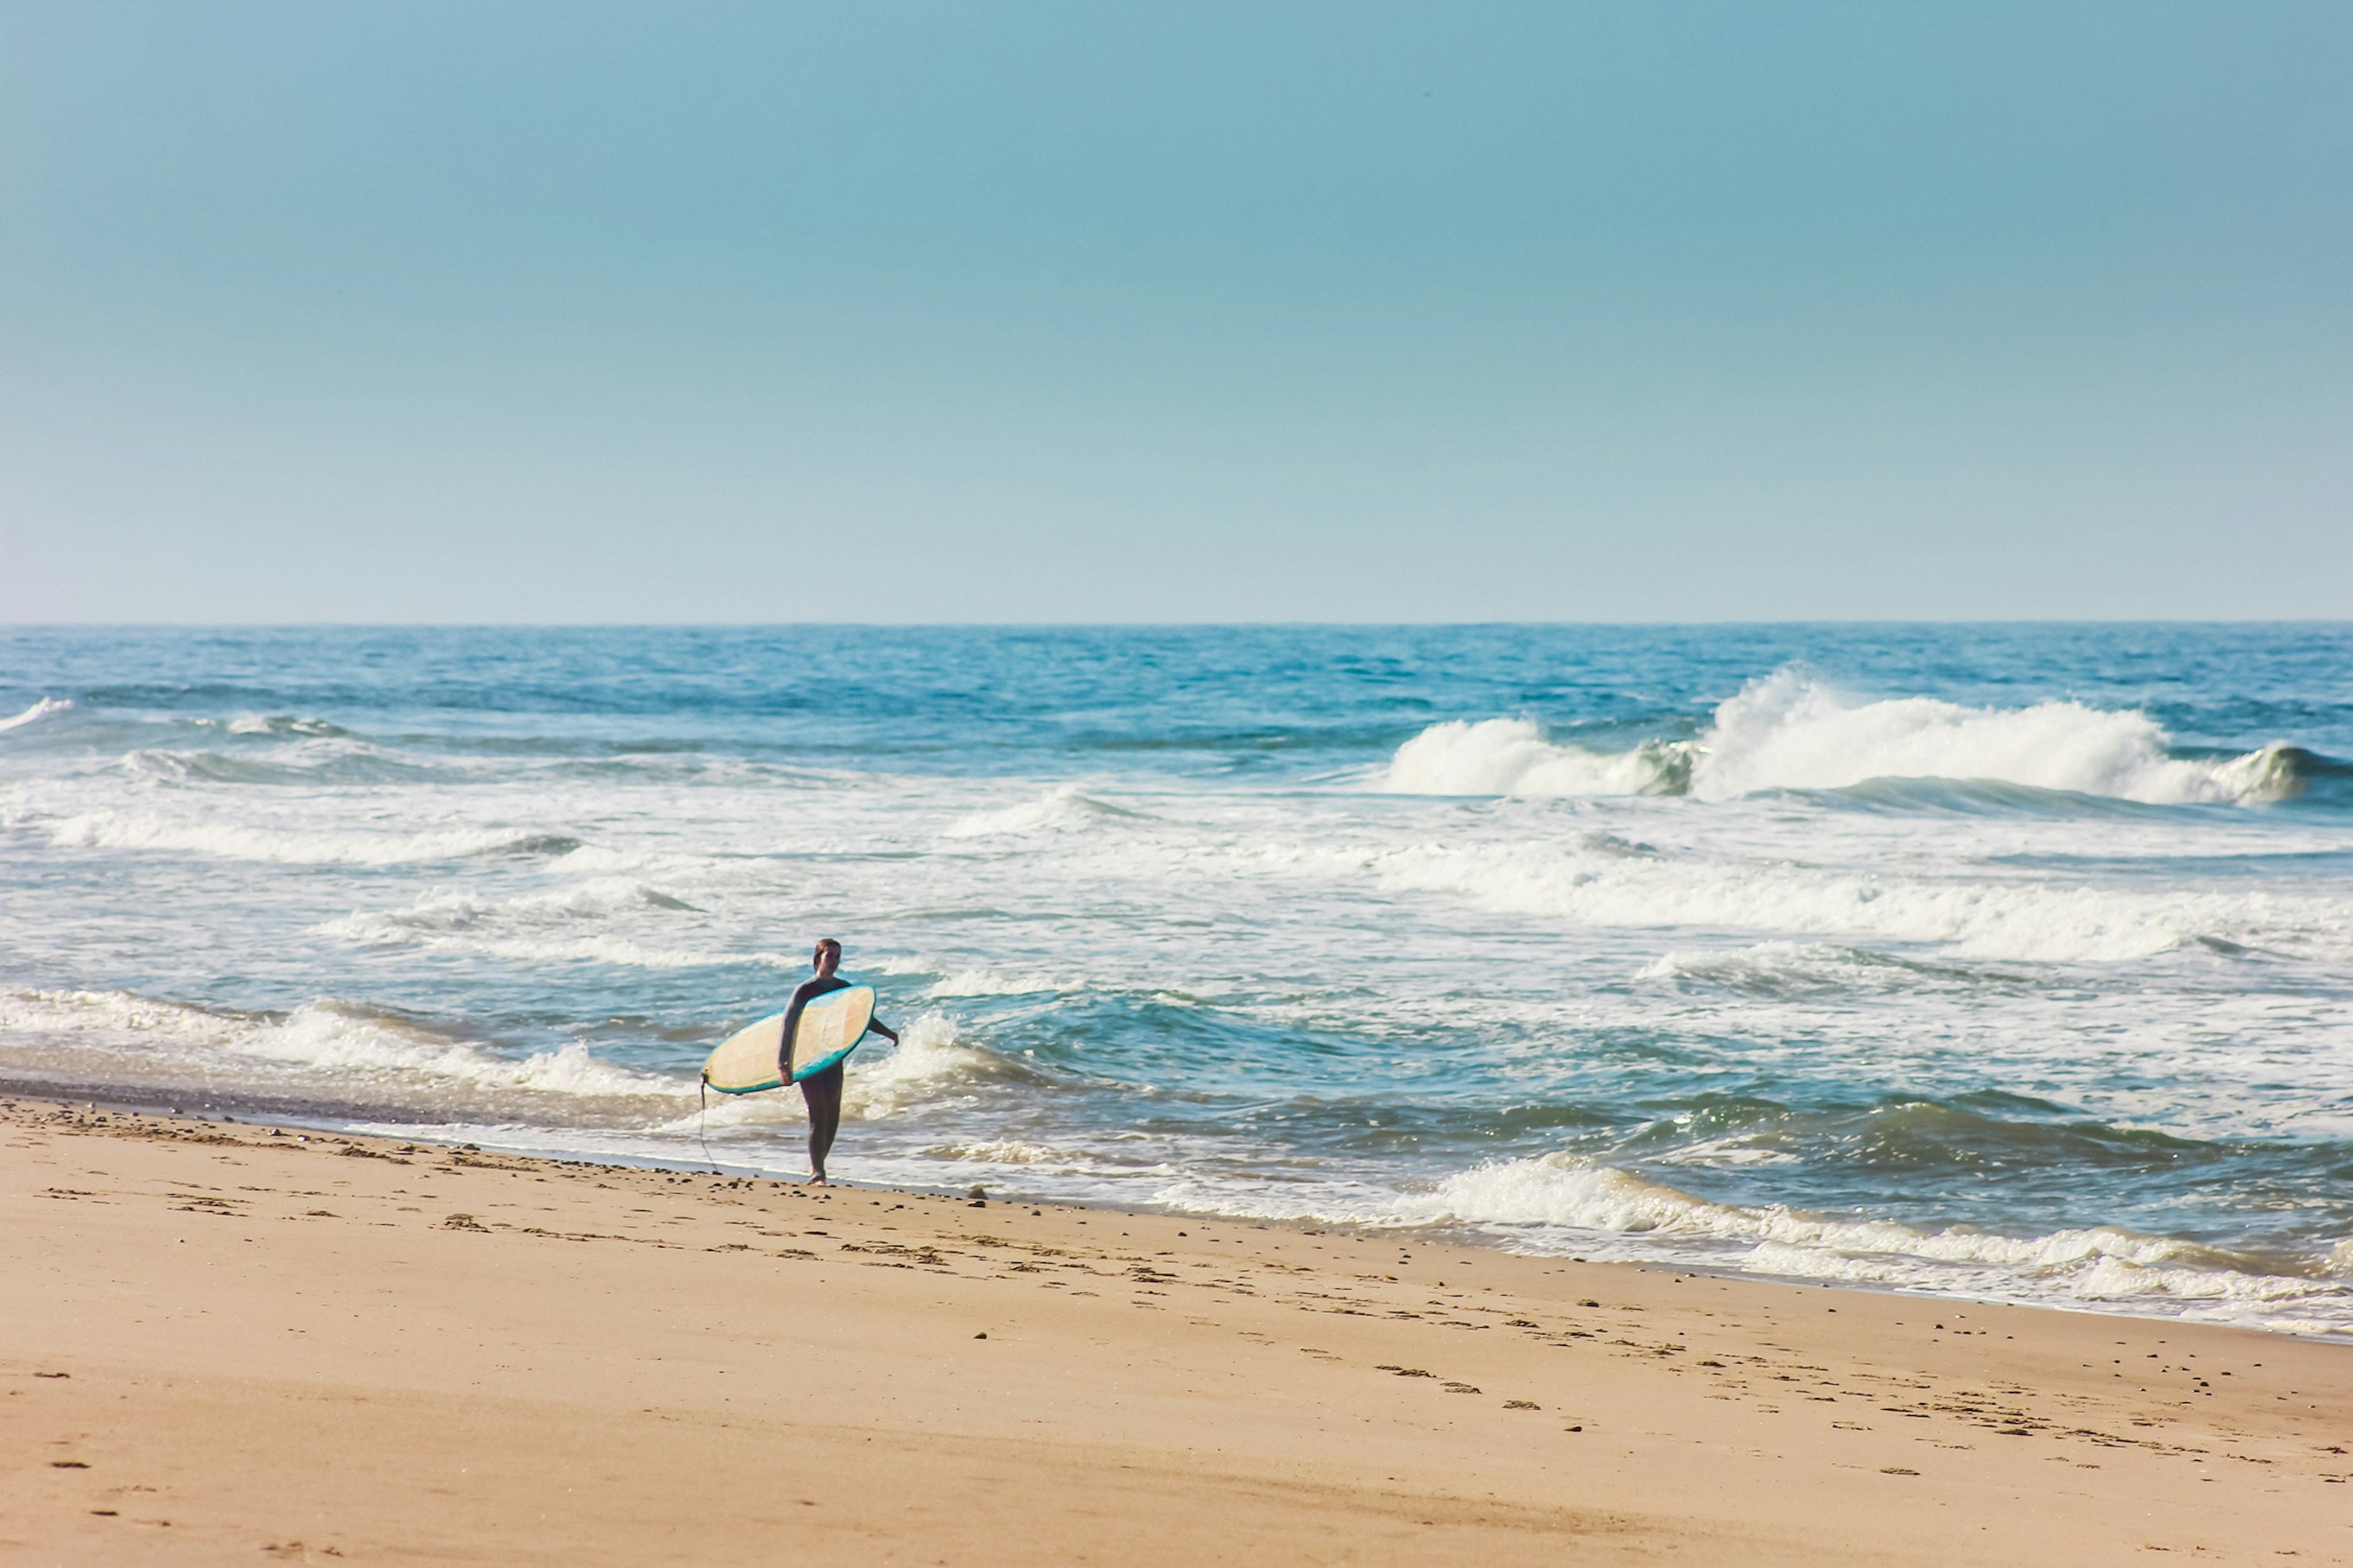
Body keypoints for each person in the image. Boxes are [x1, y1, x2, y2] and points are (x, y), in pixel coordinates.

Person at [778, 937, 897, 1184]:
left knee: (833, 1113)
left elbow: (863, 1018)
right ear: (817, 958)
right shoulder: (805, 990)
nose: (833, 961)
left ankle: (819, 1163)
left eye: (837, 956)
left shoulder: (844, 988)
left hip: (832, 1056)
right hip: (808, 1057)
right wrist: (783, 1063)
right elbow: (788, 1025)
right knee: (817, 1111)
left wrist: (887, 1033)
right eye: (829, 955)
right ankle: (817, 1171)